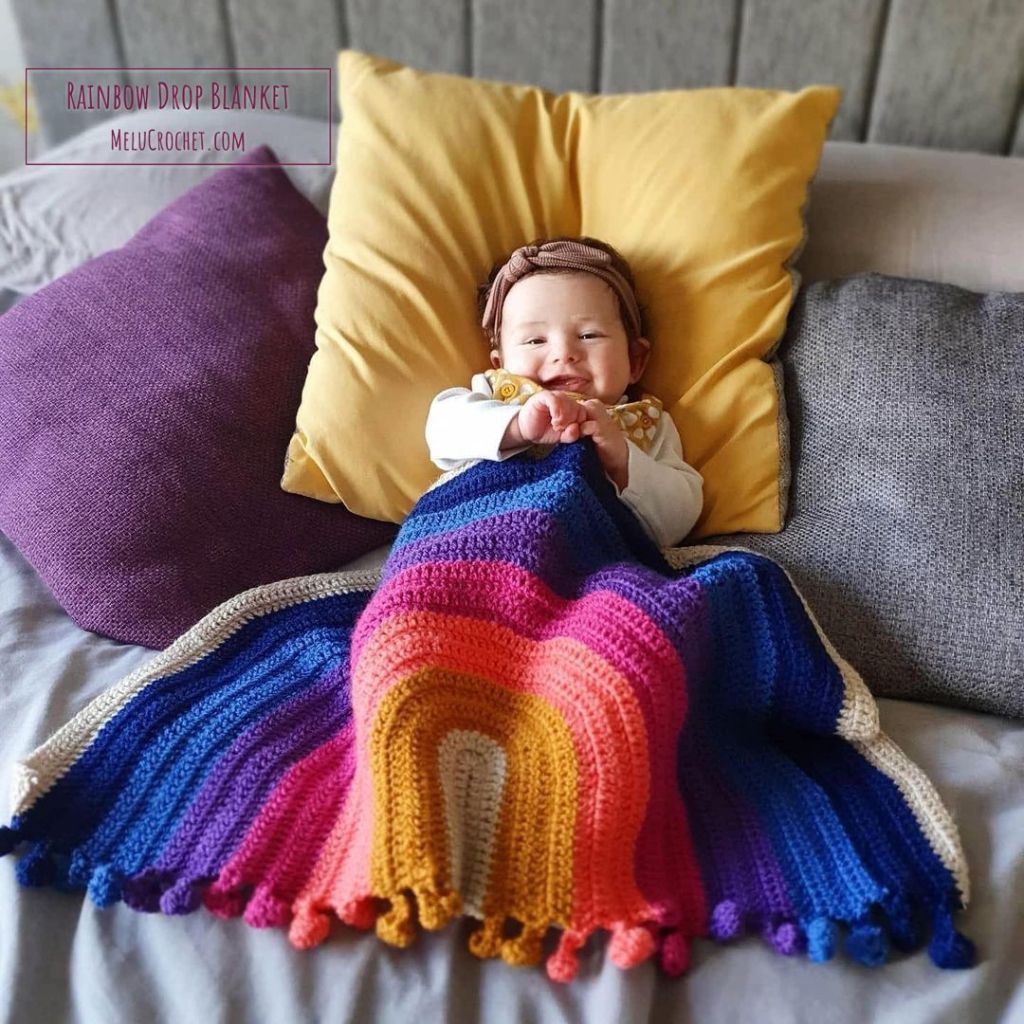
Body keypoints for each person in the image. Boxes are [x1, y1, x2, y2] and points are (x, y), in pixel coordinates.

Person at [425, 236, 703, 548]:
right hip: (472, 540)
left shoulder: (645, 422)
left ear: (635, 360)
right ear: (500, 363)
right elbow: (440, 431)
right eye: (535, 341)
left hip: (586, 562)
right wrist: (517, 426)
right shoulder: (496, 397)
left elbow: (681, 517)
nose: (564, 353)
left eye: (589, 335)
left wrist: (623, 460)